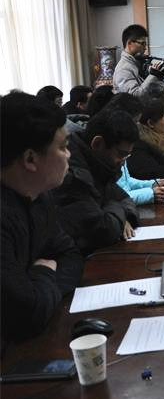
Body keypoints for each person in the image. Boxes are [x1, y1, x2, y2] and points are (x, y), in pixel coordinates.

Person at [1, 93, 84, 340]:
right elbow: (27, 316)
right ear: (30, 158)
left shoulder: (39, 196)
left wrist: (39, 288)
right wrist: (44, 272)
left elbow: (70, 254)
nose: (69, 155)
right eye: (63, 147)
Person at [51, 108, 140, 253]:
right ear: (97, 143)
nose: (123, 162)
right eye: (121, 154)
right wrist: (117, 211)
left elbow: (124, 198)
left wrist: (119, 214)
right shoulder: (71, 174)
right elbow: (104, 229)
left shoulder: (101, 167)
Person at [112, 24, 164, 98]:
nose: (145, 48)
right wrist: (153, 75)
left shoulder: (139, 63)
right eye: (142, 43)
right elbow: (135, 96)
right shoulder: (123, 69)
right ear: (129, 43)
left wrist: (158, 77)